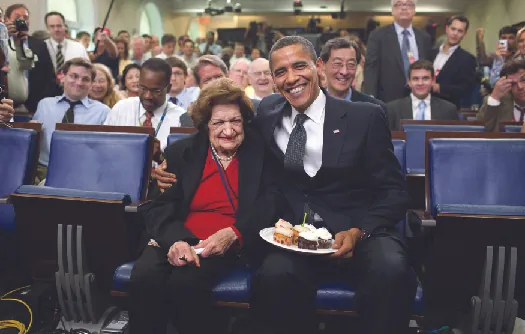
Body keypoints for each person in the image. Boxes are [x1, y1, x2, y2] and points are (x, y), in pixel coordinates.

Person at [154, 35, 414, 334]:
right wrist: (171, 166)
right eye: (280, 72)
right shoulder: (267, 112)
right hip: (291, 234)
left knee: (391, 269)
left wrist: (359, 231)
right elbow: (215, 126)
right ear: (273, 80)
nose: (291, 78)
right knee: (274, 275)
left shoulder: (365, 116)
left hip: (357, 229)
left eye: (299, 66)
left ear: (318, 67)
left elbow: (394, 191)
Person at [129, 77, 283, 334]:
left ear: (244, 121)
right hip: (177, 236)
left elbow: (272, 202)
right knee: (145, 278)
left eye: (235, 121)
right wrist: (177, 241)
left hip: (227, 240)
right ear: (205, 125)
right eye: (219, 122)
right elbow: (159, 207)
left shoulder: (261, 153)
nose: (229, 130)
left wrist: (234, 233)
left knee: (186, 281)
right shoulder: (181, 153)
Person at [364, 0, 432, 102]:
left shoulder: (424, 37)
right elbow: (371, 68)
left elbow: (429, 67)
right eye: (399, 4)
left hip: (419, 98)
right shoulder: (378, 36)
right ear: (392, 10)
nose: (404, 7)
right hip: (387, 98)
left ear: (414, 10)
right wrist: (370, 97)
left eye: (409, 4)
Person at [387, 60, 459, 130]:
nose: (420, 83)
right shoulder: (392, 109)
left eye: (425, 78)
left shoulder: (448, 109)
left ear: (433, 81)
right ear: (409, 82)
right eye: (415, 79)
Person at [477, 60, 525, 132]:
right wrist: (494, 97)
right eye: (513, 84)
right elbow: (480, 131)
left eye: (523, 80)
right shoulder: (499, 102)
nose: (520, 87)